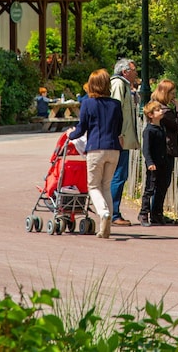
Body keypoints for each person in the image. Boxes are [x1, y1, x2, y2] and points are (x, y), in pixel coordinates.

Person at [67, 69, 123, 239]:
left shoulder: (88, 104)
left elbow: (81, 128)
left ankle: (103, 213)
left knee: (93, 186)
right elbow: (118, 128)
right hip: (114, 149)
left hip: (96, 148)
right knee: (106, 186)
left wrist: (70, 135)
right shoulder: (116, 104)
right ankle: (105, 227)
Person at [109, 58, 140, 226]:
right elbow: (115, 110)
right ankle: (113, 214)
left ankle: (112, 212)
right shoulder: (118, 84)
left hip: (122, 138)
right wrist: (119, 134)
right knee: (118, 176)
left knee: (120, 175)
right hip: (120, 139)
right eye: (133, 70)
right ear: (125, 71)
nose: (136, 73)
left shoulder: (125, 85)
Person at [150, 79, 178, 224]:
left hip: (159, 149)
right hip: (166, 150)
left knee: (159, 183)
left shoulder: (155, 107)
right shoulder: (165, 111)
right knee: (163, 183)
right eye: (172, 93)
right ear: (165, 93)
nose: (174, 96)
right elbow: (177, 126)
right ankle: (156, 213)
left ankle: (155, 212)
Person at [137, 100, 168, 227]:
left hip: (162, 163)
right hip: (153, 164)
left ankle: (157, 213)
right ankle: (143, 213)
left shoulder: (161, 128)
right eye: (158, 110)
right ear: (151, 115)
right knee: (150, 188)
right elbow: (146, 149)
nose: (161, 111)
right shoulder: (149, 131)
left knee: (161, 188)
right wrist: (150, 162)